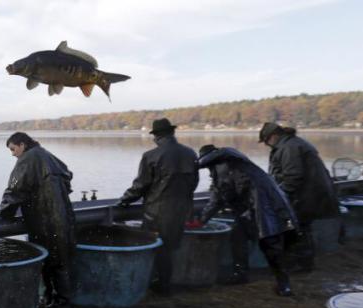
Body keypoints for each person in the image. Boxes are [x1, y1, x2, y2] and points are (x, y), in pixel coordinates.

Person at [197, 144, 297, 296]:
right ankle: (240, 274)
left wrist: (194, 165)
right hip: (248, 211)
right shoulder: (218, 173)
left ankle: (284, 284)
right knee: (237, 237)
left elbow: (226, 151)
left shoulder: (233, 157)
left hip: (265, 205)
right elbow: (217, 199)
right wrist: (201, 220)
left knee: (270, 245)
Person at [117, 118, 198, 296]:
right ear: (172, 133)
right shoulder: (190, 153)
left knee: (156, 248)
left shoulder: (151, 156)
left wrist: (124, 201)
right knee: (170, 248)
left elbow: (140, 186)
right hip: (181, 210)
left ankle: (160, 286)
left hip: (157, 212)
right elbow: (194, 183)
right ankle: (165, 284)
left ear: (157, 136)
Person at [0, 132, 76, 308]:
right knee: (60, 259)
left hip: (44, 218)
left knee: (48, 259)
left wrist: (5, 212)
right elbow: (67, 176)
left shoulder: (28, 159)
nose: (13, 154)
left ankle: (56, 301)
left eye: (13, 149)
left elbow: (15, 188)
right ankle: (61, 300)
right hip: (63, 216)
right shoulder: (47, 154)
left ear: (22, 145)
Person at [259, 122, 340, 272]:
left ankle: (301, 264)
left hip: (305, 196)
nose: (266, 145)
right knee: (301, 227)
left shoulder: (290, 148)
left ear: (273, 136)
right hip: (310, 194)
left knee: (298, 228)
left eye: (266, 141)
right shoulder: (292, 144)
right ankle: (303, 262)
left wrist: (279, 197)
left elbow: (293, 177)